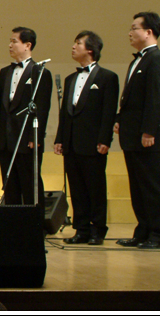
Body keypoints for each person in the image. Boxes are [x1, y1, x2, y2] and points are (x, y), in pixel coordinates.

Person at [54, 31, 119, 245]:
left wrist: (105, 140)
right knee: (77, 188)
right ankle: (81, 229)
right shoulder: (70, 79)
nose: (74, 47)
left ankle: (97, 229)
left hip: (93, 143)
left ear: (90, 50)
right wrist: (60, 138)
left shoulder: (107, 77)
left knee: (95, 188)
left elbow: (108, 112)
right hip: (71, 143)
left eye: (78, 43)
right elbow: (65, 113)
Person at [115, 12, 160, 249]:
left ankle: (159, 235)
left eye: (134, 28)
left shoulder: (157, 59)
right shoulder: (137, 61)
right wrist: (120, 119)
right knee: (138, 187)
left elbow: (156, 99)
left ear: (148, 32)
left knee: (153, 187)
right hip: (132, 135)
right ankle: (143, 231)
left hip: (148, 136)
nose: (130, 32)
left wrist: (149, 131)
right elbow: (131, 98)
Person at [0, 27, 52, 206]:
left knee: (30, 183)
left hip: (26, 137)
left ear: (27, 45)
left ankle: (34, 221)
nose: (10, 45)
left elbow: (42, 108)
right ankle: (12, 221)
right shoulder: (5, 72)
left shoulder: (40, 72)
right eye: (10, 41)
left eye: (14, 41)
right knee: (10, 185)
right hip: (6, 136)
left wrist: (35, 137)